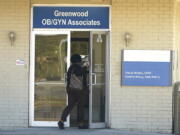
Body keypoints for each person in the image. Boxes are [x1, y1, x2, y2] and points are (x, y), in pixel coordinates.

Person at [58, 54, 89, 129]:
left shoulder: (70, 68)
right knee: (80, 106)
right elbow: (84, 80)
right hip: (80, 90)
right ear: (79, 60)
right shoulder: (81, 68)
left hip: (70, 89)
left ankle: (61, 121)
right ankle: (80, 124)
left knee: (70, 106)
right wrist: (86, 89)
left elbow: (68, 79)